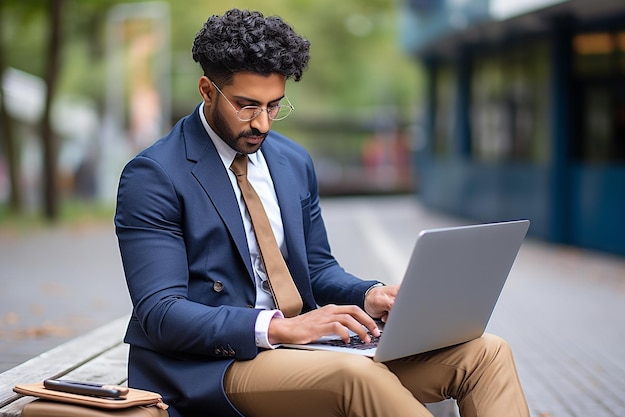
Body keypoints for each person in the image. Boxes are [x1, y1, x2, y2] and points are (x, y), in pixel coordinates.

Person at [114, 8, 530, 417]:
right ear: (207, 90)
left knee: (485, 352)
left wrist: (369, 295)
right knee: (356, 376)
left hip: (308, 347)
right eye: (246, 106)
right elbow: (160, 313)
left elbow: (315, 267)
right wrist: (279, 327)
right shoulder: (155, 175)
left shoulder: (291, 161)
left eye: (274, 106)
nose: (262, 123)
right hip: (214, 366)